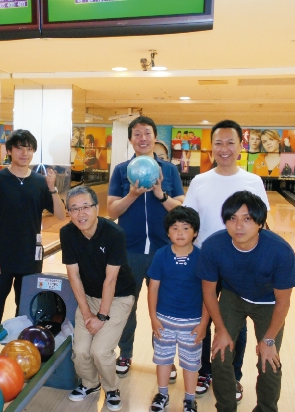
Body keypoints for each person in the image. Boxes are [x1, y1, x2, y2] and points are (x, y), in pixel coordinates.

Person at [183, 119, 270, 401]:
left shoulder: (253, 181)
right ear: (211, 147)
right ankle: (204, 370)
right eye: (218, 143)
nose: (224, 148)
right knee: (203, 319)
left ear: (240, 146)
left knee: (236, 323)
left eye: (230, 142)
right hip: (205, 262)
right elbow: (189, 221)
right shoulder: (199, 181)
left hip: (240, 264)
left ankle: (233, 375)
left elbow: (263, 224)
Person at [197, 191, 295, 412]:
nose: (238, 226)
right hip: (233, 296)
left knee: (269, 361)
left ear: (260, 222)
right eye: (232, 218)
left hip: (268, 303)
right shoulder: (213, 246)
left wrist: (269, 341)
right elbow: (209, 292)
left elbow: (283, 302)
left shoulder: (280, 251)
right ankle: (226, 407)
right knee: (220, 353)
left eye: (247, 218)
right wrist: (221, 330)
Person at [107, 115, 184, 381]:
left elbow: (181, 208)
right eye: (137, 134)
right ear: (130, 139)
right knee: (126, 306)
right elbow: (111, 211)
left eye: (147, 133)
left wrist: (161, 194)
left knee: (163, 308)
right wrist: (132, 195)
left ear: (155, 137)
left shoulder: (169, 171)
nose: (143, 138)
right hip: (130, 250)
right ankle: (125, 353)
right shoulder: (121, 171)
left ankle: (164, 358)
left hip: (164, 251)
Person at [0, 129, 65, 361]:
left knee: (25, 309)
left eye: (29, 148)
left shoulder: (40, 182)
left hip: (30, 257)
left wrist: (53, 188)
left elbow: (60, 214)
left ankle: (20, 353)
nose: (24, 153)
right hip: (2, 257)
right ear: (9, 151)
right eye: (19, 148)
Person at [61, 186, 136, 412]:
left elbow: (110, 280)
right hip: (89, 297)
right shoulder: (67, 233)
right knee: (81, 351)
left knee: (100, 351)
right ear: (69, 213)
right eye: (74, 209)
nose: (80, 213)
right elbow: (73, 276)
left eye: (85, 207)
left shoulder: (114, 234)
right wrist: (87, 314)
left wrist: (101, 316)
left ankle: (112, 389)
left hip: (119, 297)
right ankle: (90, 384)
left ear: (96, 208)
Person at [147, 206, 209, 412]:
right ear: (168, 232)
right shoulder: (161, 255)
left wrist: (203, 324)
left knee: (191, 363)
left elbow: (208, 294)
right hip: (164, 320)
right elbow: (153, 288)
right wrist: (153, 317)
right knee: (163, 359)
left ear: (195, 232)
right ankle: (162, 394)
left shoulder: (202, 258)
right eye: (174, 228)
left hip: (192, 322)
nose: (180, 233)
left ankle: (190, 399)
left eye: (186, 228)